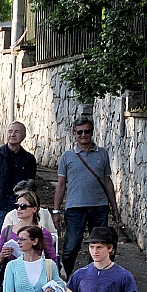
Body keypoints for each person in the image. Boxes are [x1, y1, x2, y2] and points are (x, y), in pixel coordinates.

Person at [55, 117, 123, 275]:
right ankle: (64, 279)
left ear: (92, 132)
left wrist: (115, 208)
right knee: (71, 246)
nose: (83, 134)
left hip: (99, 207)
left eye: (87, 131)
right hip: (74, 208)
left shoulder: (102, 154)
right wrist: (56, 211)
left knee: (99, 246)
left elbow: (107, 182)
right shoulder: (67, 156)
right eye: (80, 132)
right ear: (74, 134)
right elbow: (61, 185)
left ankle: (95, 277)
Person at [0, 121, 36, 223]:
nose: (12, 134)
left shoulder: (29, 159)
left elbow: (30, 185)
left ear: (23, 136)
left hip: (20, 204)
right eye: (10, 131)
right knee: (2, 235)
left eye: (17, 132)